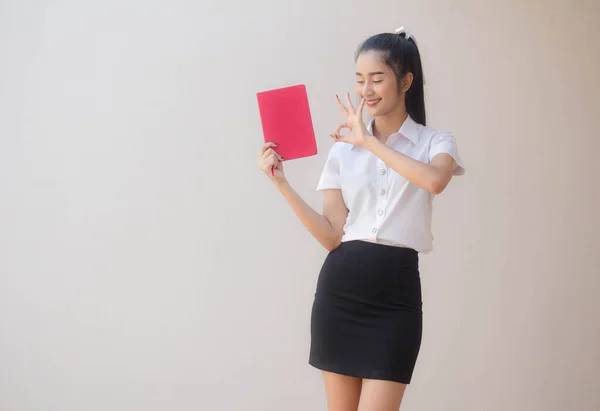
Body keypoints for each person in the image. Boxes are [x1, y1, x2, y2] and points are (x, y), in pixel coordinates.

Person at [258, 26, 464, 411]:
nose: (366, 90)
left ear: (405, 81)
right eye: (359, 80)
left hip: (396, 297)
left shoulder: (436, 141)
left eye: (377, 78)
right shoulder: (343, 152)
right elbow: (332, 236)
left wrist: (369, 142)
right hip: (341, 292)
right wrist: (282, 184)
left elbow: (435, 181)